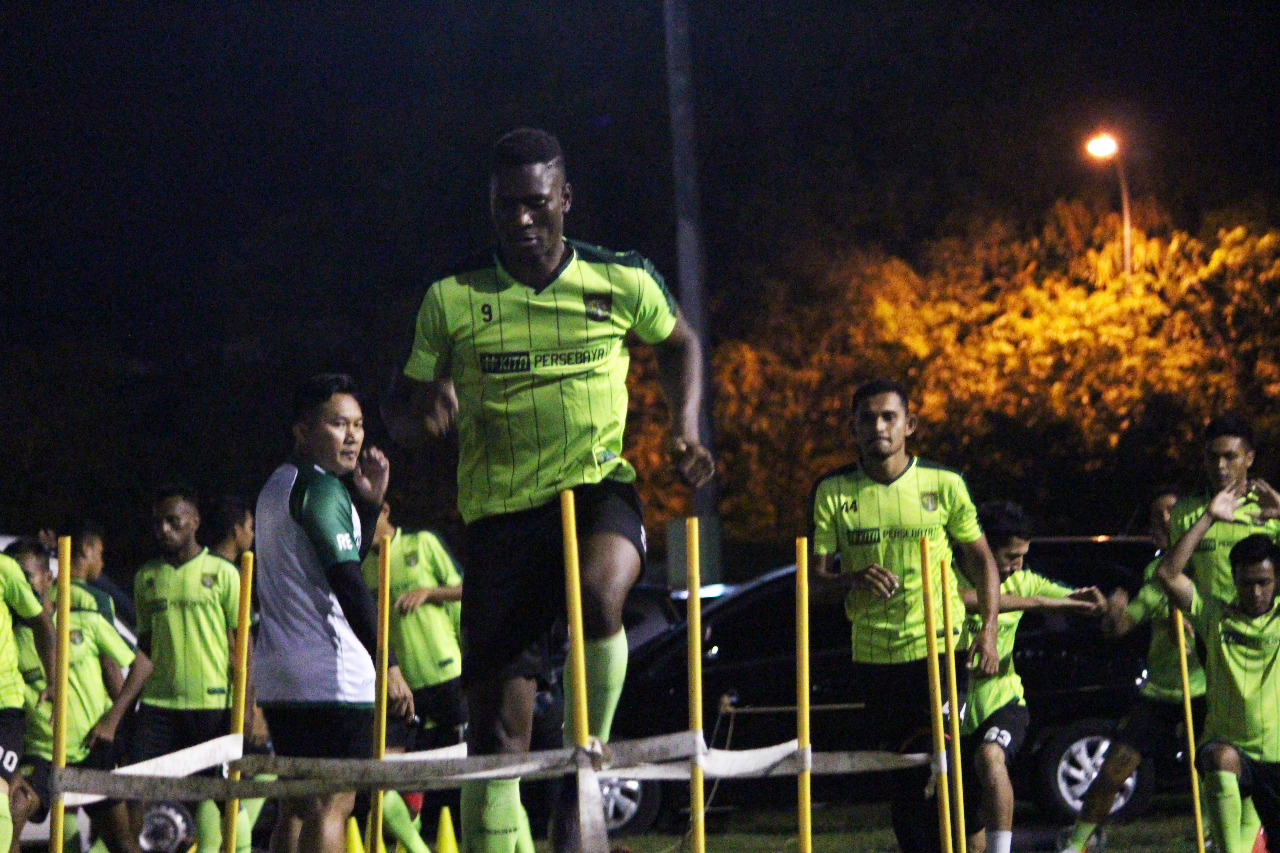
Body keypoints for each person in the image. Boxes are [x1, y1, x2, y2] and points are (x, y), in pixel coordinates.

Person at [400, 127, 714, 853]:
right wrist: (424, 408)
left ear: (565, 199)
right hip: (501, 519)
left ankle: (585, 768)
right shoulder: (452, 296)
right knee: (496, 742)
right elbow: (404, 396)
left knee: (602, 592)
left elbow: (679, 343)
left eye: (536, 204)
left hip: (594, 488)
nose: (521, 220)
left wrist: (683, 427)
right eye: (506, 206)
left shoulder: (621, 277)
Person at [810, 378, 1001, 853]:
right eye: (866, 418)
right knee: (903, 776)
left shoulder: (943, 482)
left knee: (951, 765)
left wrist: (990, 631)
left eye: (888, 417)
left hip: (940, 646)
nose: (878, 426)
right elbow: (813, 583)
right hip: (875, 653)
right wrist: (851, 579)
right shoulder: (833, 490)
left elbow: (982, 560)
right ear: (852, 428)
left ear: (909, 425)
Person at [255, 373, 414, 853]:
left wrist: (367, 505)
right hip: (330, 676)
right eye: (338, 424)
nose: (353, 436)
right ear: (303, 431)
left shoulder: (276, 485)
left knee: (296, 803)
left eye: (359, 425)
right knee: (332, 805)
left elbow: (332, 559)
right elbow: (348, 583)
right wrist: (386, 662)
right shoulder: (321, 490)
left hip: (280, 675)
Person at [1059, 487, 1210, 853]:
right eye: (1156, 516)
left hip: (1207, 690)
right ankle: (1077, 843)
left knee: (1216, 774)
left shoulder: (1210, 569)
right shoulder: (1154, 573)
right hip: (1161, 692)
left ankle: (1216, 837)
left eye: (1170, 514)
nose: (1163, 521)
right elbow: (1121, 627)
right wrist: (1113, 611)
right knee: (1113, 770)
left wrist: (1198, 638)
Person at [957, 503, 1104, 853]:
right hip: (953, 710)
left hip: (1003, 701)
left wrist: (1099, 604)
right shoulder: (947, 578)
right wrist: (1037, 603)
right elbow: (963, 600)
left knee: (990, 756)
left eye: (1023, 556)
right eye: (1010, 556)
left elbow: (1068, 599)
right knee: (966, 826)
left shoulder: (1024, 581)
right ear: (981, 549)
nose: (1018, 566)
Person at [5, 538, 153, 853]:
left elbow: (141, 664)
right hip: (42, 755)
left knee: (122, 842)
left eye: (27, 576)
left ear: (48, 578)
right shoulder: (10, 640)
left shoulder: (83, 620)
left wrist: (112, 721)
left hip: (91, 752)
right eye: (13, 578)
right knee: (12, 812)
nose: (20, 585)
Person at [1155, 482, 1280, 853]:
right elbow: (1167, 574)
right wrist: (1208, 516)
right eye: (1246, 584)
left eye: (1263, 583)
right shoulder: (1215, 616)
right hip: (1231, 750)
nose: (1255, 593)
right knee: (1219, 758)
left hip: (1275, 757)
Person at [130, 486, 241, 853]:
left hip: (211, 706)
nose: (163, 529)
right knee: (138, 792)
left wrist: (249, 703)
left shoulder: (223, 573)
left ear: (194, 522)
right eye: (158, 523)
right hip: (160, 707)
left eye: (172, 521)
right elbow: (145, 649)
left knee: (219, 798)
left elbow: (242, 644)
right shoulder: (147, 577)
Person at [361, 502, 467, 853]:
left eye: (366, 514)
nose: (361, 522)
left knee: (490, 769)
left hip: (446, 675)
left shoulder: (422, 544)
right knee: (382, 777)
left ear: (387, 511)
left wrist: (430, 592)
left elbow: (468, 589)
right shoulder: (361, 569)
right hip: (399, 687)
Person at [0, 542, 56, 853]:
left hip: (6, 710)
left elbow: (42, 623)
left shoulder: (4, 571)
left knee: (8, 802)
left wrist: (54, 681)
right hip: (28, 746)